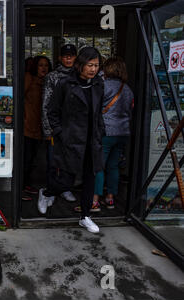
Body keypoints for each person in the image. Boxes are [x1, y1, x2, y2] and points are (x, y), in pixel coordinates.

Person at [38, 47, 106, 233]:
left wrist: (100, 132)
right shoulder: (65, 84)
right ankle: (46, 192)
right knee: (65, 180)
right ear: (80, 65)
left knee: (89, 179)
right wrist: (60, 132)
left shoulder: (98, 84)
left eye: (96, 65)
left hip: (91, 140)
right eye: (90, 65)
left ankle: (85, 216)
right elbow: (52, 111)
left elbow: (98, 111)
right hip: (70, 140)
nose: (93, 69)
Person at [92, 57, 134, 211]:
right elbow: (130, 112)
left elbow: (95, 108)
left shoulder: (103, 86)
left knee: (98, 166)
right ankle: (110, 199)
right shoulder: (128, 89)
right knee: (114, 167)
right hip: (123, 133)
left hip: (106, 132)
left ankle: (94, 200)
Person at [40, 44, 78, 205]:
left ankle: (65, 188)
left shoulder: (79, 75)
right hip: (56, 127)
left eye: (71, 55)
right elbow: (45, 104)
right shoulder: (52, 77)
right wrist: (48, 130)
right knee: (53, 160)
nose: (68, 58)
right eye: (65, 56)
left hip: (74, 128)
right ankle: (51, 189)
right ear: (60, 58)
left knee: (70, 160)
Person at [23, 56, 52, 201]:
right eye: (40, 65)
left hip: (40, 128)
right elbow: (18, 98)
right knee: (26, 159)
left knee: (33, 159)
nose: (43, 68)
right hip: (27, 126)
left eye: (46, 65)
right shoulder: (29, 78)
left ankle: (26, 184)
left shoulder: (48, 82)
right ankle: (21, 188)